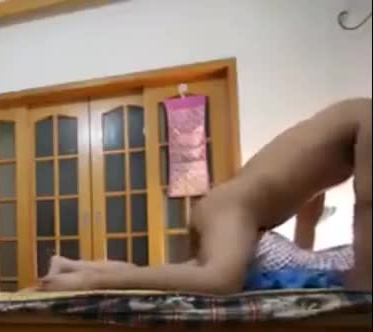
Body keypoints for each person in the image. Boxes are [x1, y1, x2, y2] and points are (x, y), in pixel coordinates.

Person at [39, 99, 371, 294]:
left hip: (234, 209)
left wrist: (305, 246)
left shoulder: (350, 116)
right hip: (236, 209)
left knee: (182, 271)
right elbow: (368, 200)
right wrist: (365, 275)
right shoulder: (367, 116)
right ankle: (91, 280)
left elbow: (312, 193)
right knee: (220, 280)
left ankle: (70, 266)